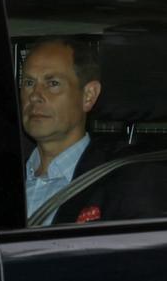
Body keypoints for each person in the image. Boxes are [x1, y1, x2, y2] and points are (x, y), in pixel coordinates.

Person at [21, 37, 107, 224]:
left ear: (88, 96)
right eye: (28, 83)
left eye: (52, 84)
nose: (35, 96)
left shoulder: (116, 182)